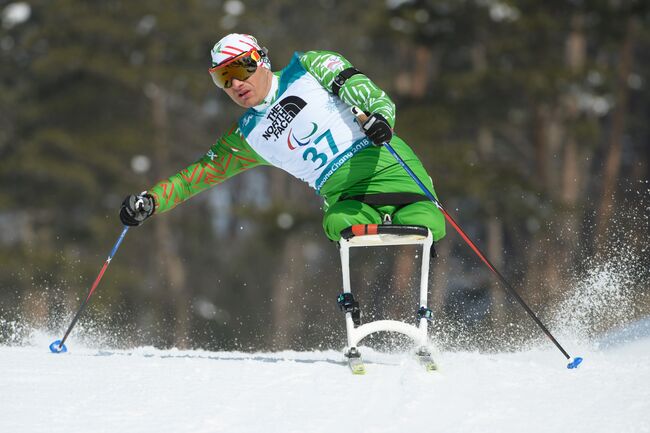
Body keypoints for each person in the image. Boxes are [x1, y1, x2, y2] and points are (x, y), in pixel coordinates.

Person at [120, 33, 446, 243]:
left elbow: (366, 92)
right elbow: (196, 177)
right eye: (223, 78)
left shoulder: (309, 67)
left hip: (389, 167)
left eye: (242, 68)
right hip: (347, 198)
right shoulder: (246, 136)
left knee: (427, 221)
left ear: (262, 60)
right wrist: (151, 201)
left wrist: (380, 119)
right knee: (339, 224)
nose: (235, 83)